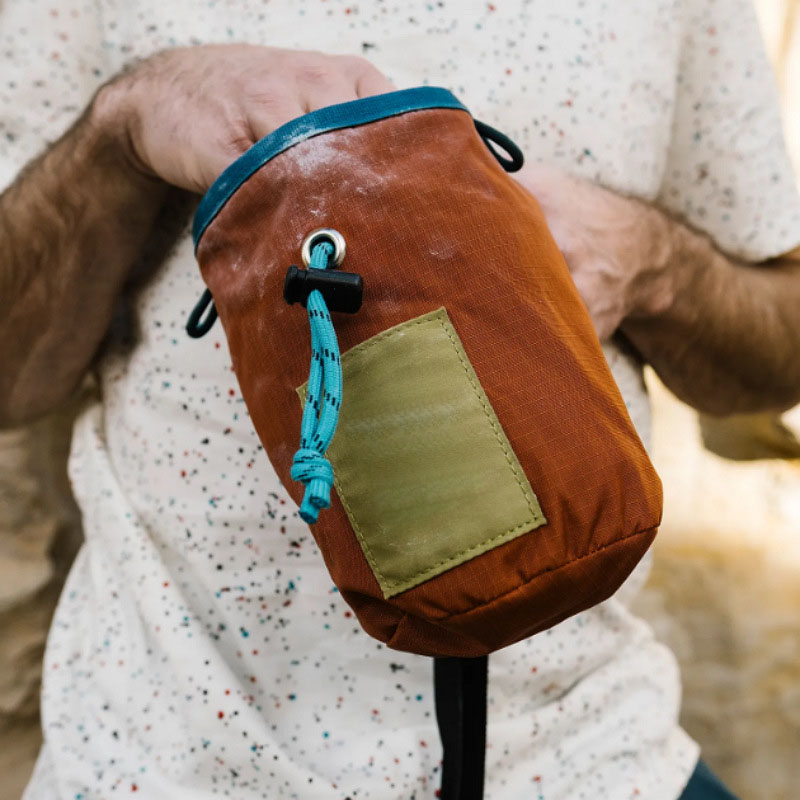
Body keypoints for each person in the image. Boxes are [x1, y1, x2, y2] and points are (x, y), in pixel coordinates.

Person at [2, 0, 799, 797]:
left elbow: (782, 349)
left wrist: (656, 264)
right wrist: (123, 123)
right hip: (155, 759)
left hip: (591, 751)